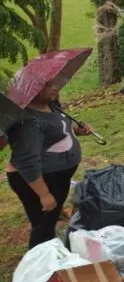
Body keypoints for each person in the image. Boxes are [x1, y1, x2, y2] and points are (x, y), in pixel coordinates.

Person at [6, 81, 94, 248]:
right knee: (43, 226)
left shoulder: (51, 105)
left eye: (54, 84)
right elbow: (27, 161)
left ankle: (49, 252)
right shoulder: (29, 122)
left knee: (50, 220)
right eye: (47, 85)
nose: (55, 88)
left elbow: (55, 132)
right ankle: (40, 263)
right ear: (32, 89)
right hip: (36, 181)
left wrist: (77, 130)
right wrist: (44, 194)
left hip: (56, 176)